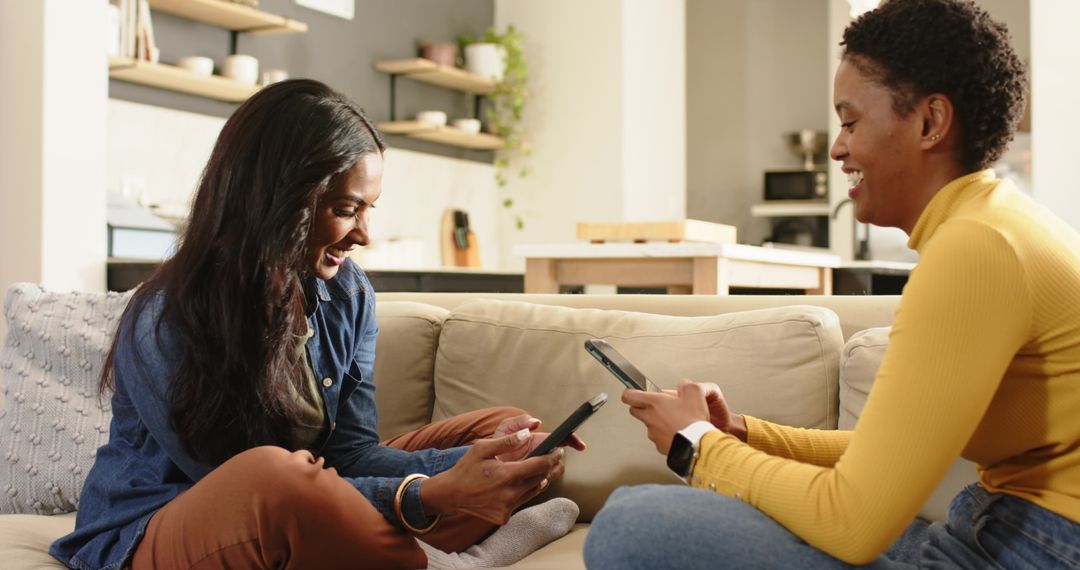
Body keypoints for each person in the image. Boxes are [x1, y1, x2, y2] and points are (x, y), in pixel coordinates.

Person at [584, 0, 1080, 568]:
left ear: (930, 122)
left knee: (632, 523)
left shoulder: (977, 248)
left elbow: (852, 523)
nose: (836, 148)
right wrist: (739, 433)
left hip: (1039, 549)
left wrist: (696, 446)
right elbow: (892, 456)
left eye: (849, 122)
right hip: (1009, 530)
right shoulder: (995, 225)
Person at [51, 79, 584, 570]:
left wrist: (474, 464)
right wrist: (429, 494)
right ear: (278, 200)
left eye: (369, 208)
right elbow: (235, 488)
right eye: (347, 208)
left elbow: (349, 454)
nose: (364, 234)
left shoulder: (348, 294)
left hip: (298, 505)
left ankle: (411, 541)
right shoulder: (166, 316)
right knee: (274, 478)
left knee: (507, 430)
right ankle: (456, 561)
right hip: (158, 528)